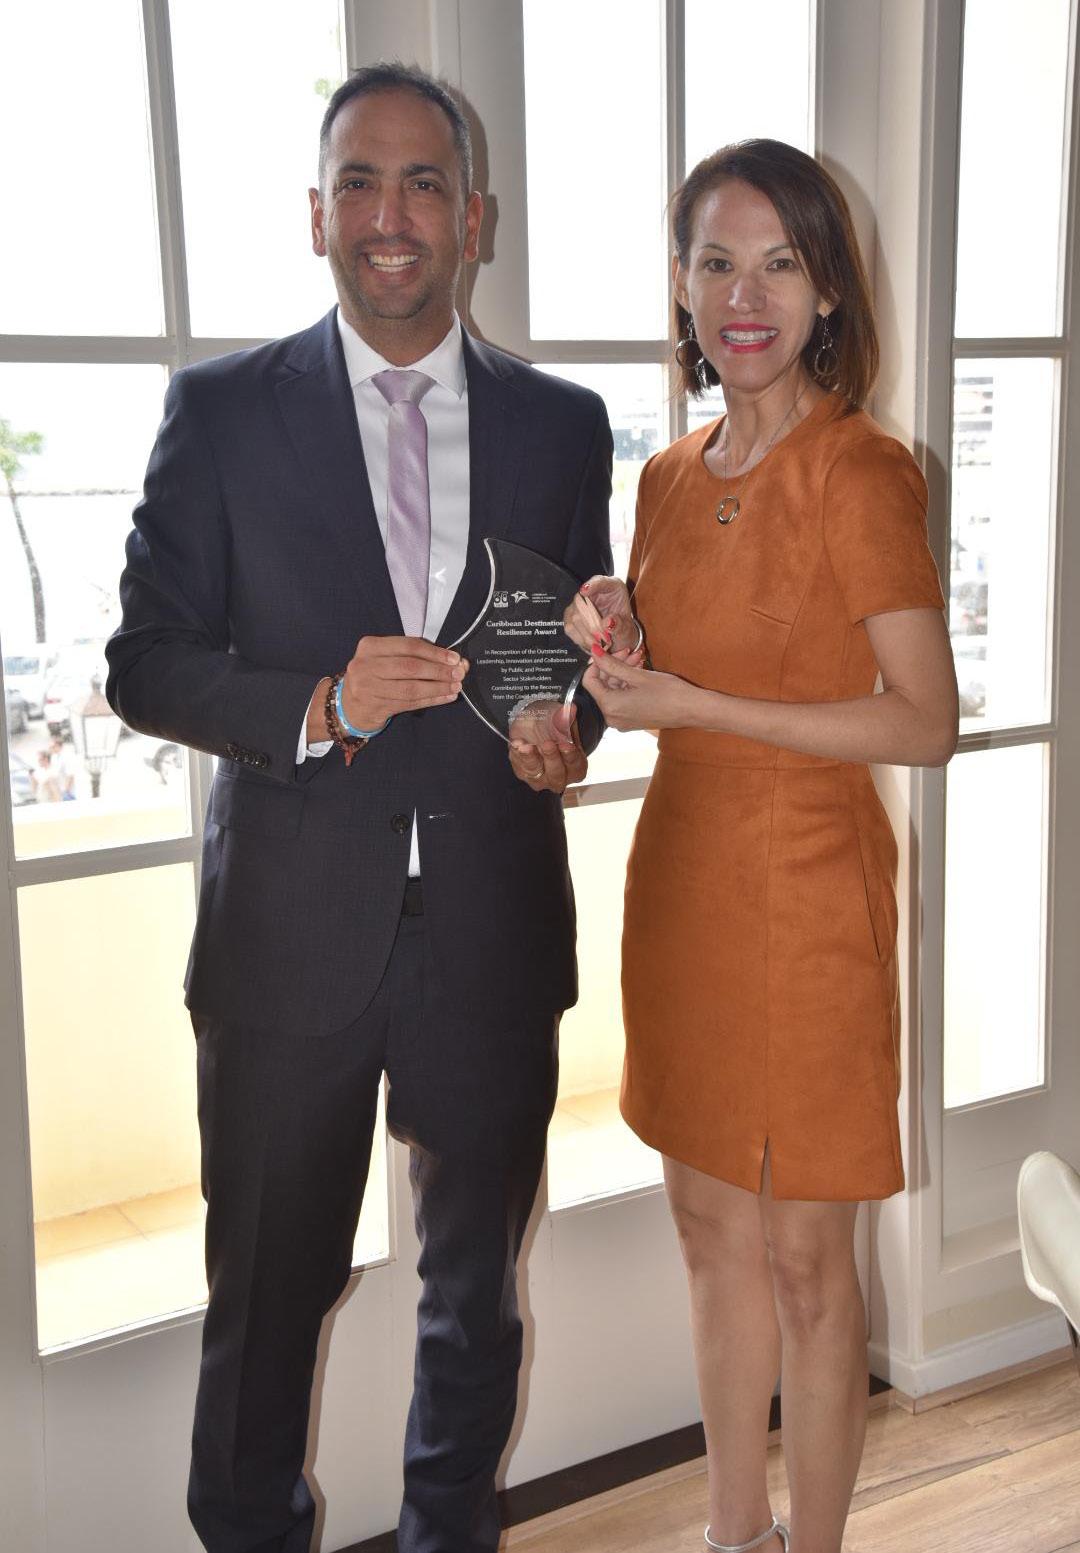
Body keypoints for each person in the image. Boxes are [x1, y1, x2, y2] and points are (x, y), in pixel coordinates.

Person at [106, 63, 612, 1553]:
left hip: (490, 937)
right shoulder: (218, 413)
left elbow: (571, 652)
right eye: (361, 183)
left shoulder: (563, 424)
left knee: (474, 1302)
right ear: (317, 214)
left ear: (475, 218)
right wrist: (320, 704)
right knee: (266, 1304)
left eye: (424, 184)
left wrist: (567, 730)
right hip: (284, 943)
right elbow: (145, 661)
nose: (392, 214)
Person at [567, 140, 958, 1553]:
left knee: (806, 1260)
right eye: (717, 263)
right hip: (684, 886)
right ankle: (737, 1533)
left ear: (828, 291)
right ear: (680, 285)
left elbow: (924, 722)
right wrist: (619, 628)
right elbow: (679, 659)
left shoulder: (863, 470)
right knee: (708, 1233)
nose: (747, 296)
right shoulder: (667, 477)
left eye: (780, 263)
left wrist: (694, 704)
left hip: (808, 898)